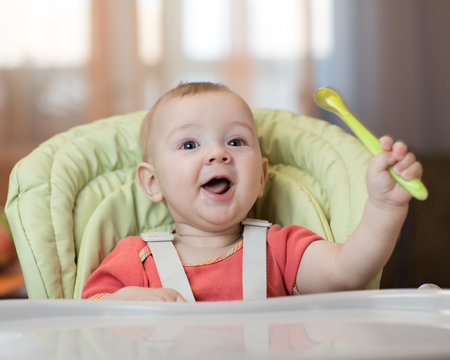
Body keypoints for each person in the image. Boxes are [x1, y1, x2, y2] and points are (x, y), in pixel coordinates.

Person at [81, 82, 423, 302]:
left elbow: (348, 271)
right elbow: (87, 321)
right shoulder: (135, 258)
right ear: (152, 183)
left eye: (235, 141)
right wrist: (125, 303)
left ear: (261, 177)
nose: (218, 153)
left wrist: (384, 207)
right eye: (189, 144)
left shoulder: (279, 248)